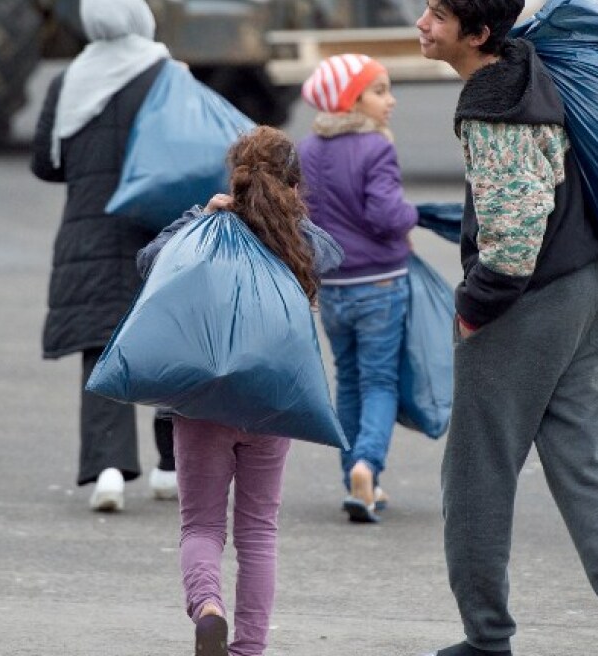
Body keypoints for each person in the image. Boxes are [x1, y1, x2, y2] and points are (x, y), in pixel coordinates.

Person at [416, 1, 598, 655]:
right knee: (583, 460)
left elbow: (513, 237)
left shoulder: (494, 100)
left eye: (438, 15)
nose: (422, 24)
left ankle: (485, 638)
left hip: (526, 303)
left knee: (477, 473)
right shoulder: (528, 65)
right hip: (585, 284)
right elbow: (539, 183)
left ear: (478, 34)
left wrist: (473, 306)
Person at [137, 126, 343, 656]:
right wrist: (288, 220)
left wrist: (203, 219)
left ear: (235, 175)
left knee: (201, 523)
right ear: (294, 184)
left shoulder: (209, 225)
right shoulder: (298, 238)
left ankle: (207, 607)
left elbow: (149, 261)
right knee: (258, 532)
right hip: (273, 403)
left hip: (204, 395)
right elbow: (333, 255)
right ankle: (248, 648)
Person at [30, 0, 177, 512]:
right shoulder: (166, 75)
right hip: (157, 232)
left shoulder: (70, 80)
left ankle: (109, 471)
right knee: (167, 349)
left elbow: (45, 165)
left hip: (88, 234)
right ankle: (170, 467)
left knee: (101, 348)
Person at [296, 54, 420, 523]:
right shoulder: (376, 148)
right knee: (380, 380)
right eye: (380, 91)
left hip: (333, 285)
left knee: (348, 380)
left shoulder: (307, 149)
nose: (391, 100)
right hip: (380, 284)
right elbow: (387, 216)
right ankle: (368, 463)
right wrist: (414, 215)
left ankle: (355, 478)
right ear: (353, 99)